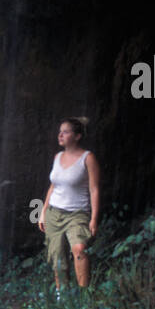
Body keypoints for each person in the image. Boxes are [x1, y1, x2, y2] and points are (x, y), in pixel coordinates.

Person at [37, 117, 100, 297]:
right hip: (54, 212)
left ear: (78, 136)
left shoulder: (88, 158)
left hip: (78, 213)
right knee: (57, 255)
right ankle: (62, 296)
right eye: (60, 131)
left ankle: (83, 296)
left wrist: (94, 218)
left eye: (65, 131)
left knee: (79, 249)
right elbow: (53, 186)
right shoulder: (57, 157)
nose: (60, 135)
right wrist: (43, 212)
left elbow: (94, 189)